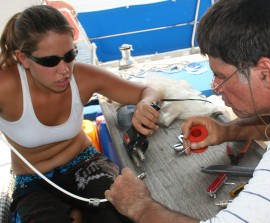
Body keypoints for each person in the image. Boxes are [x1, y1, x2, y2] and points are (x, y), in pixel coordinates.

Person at [104, 0, 270, 222]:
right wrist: (226, 131)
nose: (215, 87)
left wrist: (140, 207)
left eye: (221, 76)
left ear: (265, 72)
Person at [0, 5, 162, 223]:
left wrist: (145, 105)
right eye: (50, 61)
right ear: (23, 58)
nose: (64, 69)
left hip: (84, 164)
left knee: (121, 216)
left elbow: (149, 90)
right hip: (32, 180)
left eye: (70, 55)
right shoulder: (6, 86)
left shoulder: (83, 77)